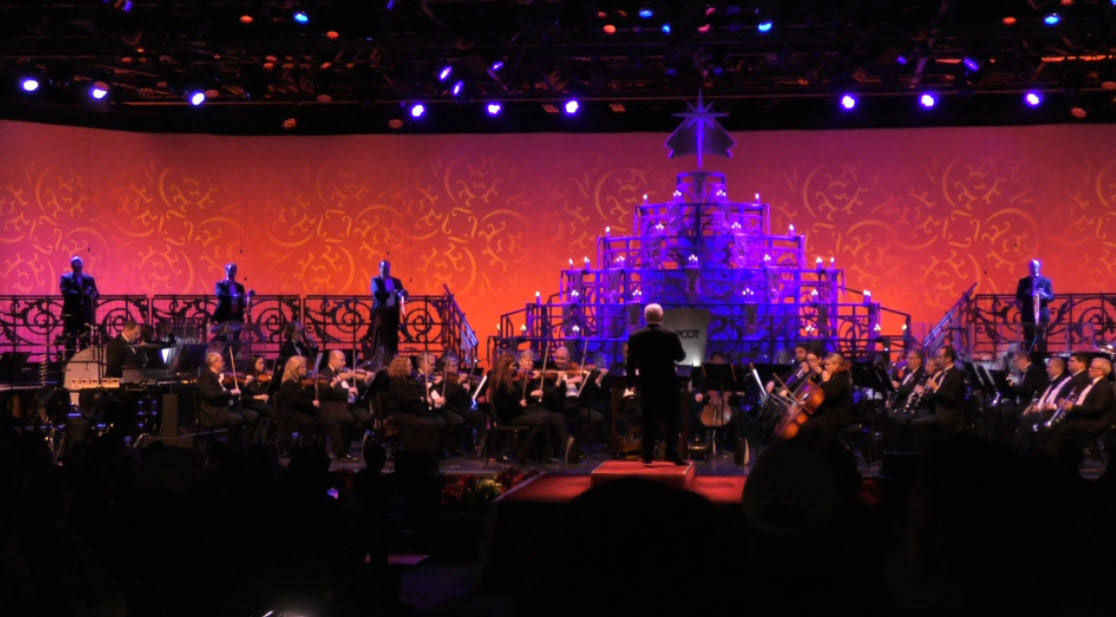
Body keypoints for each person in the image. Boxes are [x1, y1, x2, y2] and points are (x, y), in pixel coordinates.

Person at [626, 302, 686, 465]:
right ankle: (672, 453)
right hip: (668, 384)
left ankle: (647, 454)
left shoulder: (636, 337)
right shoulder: (671, 335)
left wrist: (631, 381)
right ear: (661, 317)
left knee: (648, 419)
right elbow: (681, 357)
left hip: (647, 384)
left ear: (645, 317)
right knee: (672, 420)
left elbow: (630, 362)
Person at [196, 351, 258, 442]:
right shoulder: (206, 376)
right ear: (214, 363)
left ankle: (248, 444)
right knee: (238, 420)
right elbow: (212, 395)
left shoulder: (223, 377)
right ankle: (233, 445)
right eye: (222, 361)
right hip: (214, 412)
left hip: (228, 408)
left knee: (254, 416)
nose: (224, 363)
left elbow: (236, 389)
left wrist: (244, 383)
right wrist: (231, 392)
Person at [59, 256, 100, 357]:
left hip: (85, 313)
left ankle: (84, 363)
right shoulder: (65, 278)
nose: (76, 265)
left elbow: (96, 293)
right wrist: (81, 294)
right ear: (71, 265)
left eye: (78, 263)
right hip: (71, 313)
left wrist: (91, 295)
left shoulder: (89, 279)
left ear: (82, 265)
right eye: (74, 263)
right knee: (70, 339)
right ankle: (69, 362)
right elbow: (65, 291)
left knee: (85, 339)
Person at [370, 260, 407, 362]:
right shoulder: (376, 280)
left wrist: (402, 293)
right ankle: (379, 358)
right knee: (380, 337)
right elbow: (377, 293)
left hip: (392, 313)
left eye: (387, 267)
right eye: (383, 267)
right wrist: (393, 292)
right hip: (380, 313)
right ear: (379, 268)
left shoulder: (395, 281)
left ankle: (392, 357)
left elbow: (402, 293)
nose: (385, 269)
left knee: (392, 338)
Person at [1015, 259, 1054, 354]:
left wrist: (1044, 295)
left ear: (1039, 267)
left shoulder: (1046, 281)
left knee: (1042, 340)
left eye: (1036, 267)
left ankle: (1042, 359)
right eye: (1032, 267)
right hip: (1028, 314)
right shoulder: (1023, 281)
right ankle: (1029, 358)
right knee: (1028, 339)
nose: (1034, 269)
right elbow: (1019, 296)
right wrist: (1031, 293)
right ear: (1029, 268)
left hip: (1042, 314)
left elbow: (1051, 297)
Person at [212, 263, 249, 342]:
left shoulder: (239, 286)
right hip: (224, 314)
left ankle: (234, 351)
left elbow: (242, 301)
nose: (232, 272)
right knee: (224, 338)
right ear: (226, 271)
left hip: (236, 314)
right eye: (230, 270)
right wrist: (234, 296)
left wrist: (246, 299)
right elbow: (220, 295)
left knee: (236, 338)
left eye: (234, 270)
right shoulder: (221, 284)